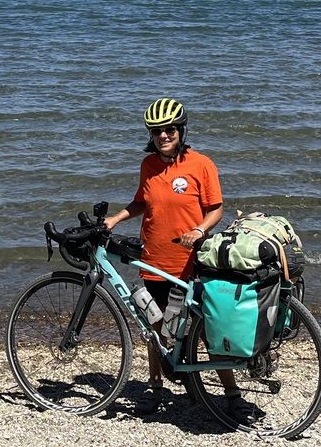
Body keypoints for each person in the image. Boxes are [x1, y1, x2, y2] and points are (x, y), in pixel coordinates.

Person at [103, 98, 255, 418]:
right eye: (157, 131)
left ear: (181, 130)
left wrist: (200, 230)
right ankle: (155, 386)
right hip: (153, 260)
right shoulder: (149, 166)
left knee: (208, 327)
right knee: (154, 327)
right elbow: (141, 202)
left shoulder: (201, 164)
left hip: (189, 263)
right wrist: (115, 220)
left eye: (170, 129)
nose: (163, 135)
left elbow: (216, 209)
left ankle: (231, 393)